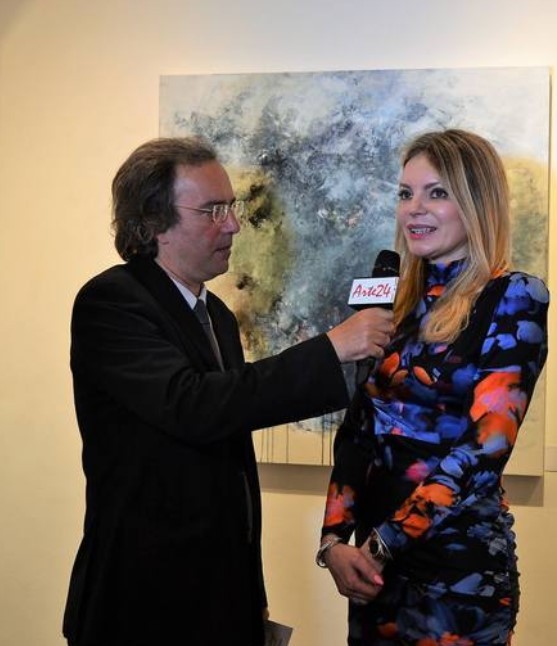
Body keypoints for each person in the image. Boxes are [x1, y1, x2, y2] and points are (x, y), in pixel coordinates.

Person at [62, 137, 394, 646]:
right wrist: (331, 349)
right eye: (213, 210)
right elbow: (194, 404)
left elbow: (229, 453)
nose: (234, 224)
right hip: (141, 605)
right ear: (152, 222)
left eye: (231, 207)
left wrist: (250, 594)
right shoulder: (111, 302)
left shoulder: (215, 315)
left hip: (221, 602)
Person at [317, 129, 549, 645]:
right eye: (406, 193)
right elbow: (358, 428)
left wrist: (382, 543)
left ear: (476, 202)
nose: (414, 209)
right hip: (373, 573)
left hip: (455, 572)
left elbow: (486, 447)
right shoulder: (393, 304)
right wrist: (333, 541)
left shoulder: (514, 295)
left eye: (436, 192)